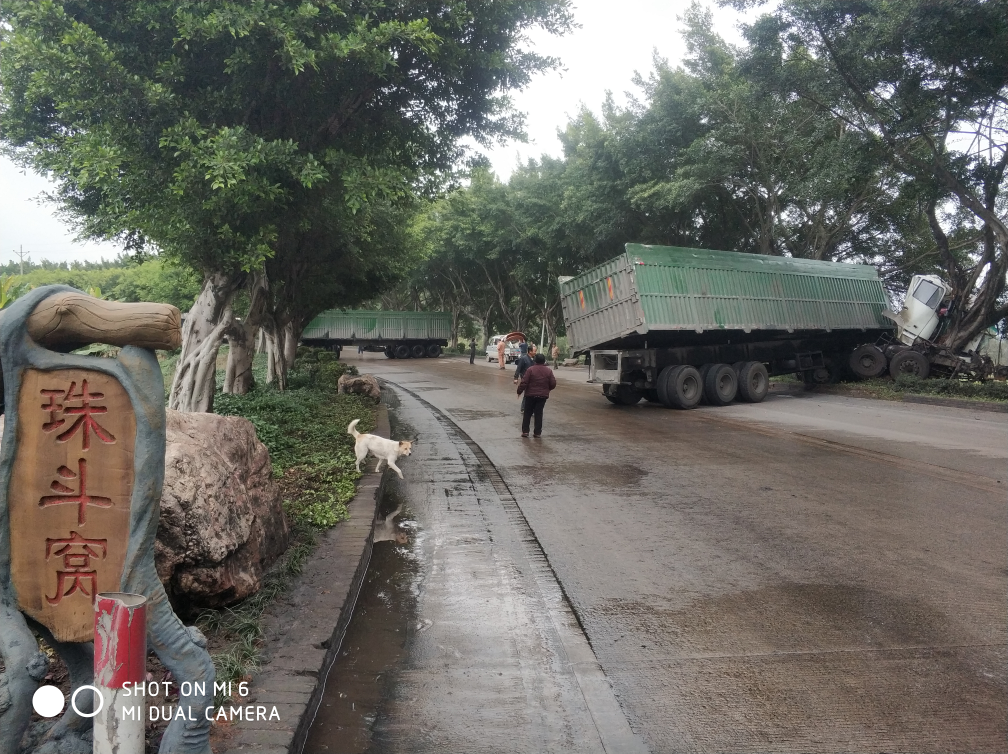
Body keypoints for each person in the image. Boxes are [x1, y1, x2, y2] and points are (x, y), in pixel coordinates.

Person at [517, 353, 556, 438]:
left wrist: (519, 391)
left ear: (535, 360)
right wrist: (547, 389)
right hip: (542, 396)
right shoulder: (548, 371)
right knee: (539, 413)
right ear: (544, 361)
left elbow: (524, 382)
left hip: (530, 395)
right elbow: (553, 383)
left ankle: (525, 431)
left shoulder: (530, 370)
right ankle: (537, 433)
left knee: (527, 413)